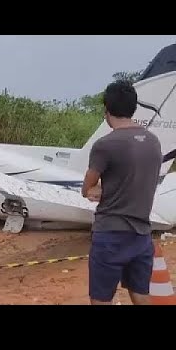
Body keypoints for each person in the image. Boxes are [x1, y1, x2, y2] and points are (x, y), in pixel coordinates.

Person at [81, 80, 162, 305]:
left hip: (110, 235)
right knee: (140, 295)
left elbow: (87, 189)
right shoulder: (153, 142)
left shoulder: (105, 145)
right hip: (142, 235)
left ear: (106, 109)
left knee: (101, 298)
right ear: (134, 107)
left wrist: (99, 191)